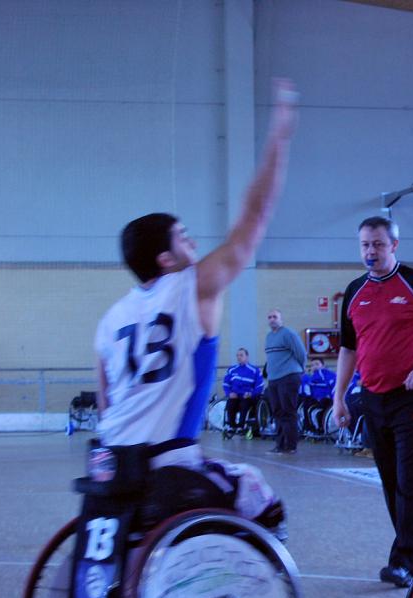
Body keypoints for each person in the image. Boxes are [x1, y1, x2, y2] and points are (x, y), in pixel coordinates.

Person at [94, 78, 297, 532]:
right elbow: (254, 219)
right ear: (166, 259)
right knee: (261, 497)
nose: (194, 241)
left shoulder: (110, 321)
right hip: (165, 461)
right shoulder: (189, 286)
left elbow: (106, 399)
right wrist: (280, 138)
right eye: (184, 237)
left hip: (110, 460)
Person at [332, 216, 413, 589]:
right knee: (391, 482)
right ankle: (409, 554)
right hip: (374, 399)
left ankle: (405, 560)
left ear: (394, 246)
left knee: (411, 480)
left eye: (378, 244)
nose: (371, 251)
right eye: (365, 245)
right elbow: (348, 348)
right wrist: (339, 398)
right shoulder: (355, 292)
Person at [264, 308, 306, 454]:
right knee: (277, 412)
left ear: (281, 319)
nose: (272, 319)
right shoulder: (269, 336)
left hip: (288, 377)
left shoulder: (288, 333)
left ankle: (291, 445)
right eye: (269, 317)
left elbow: (301, 353)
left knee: (288, 411)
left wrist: (300, 369)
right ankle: (280, 445)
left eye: (274, 316)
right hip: (274, 379)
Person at [222, 347, 264, 436]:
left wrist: (251, 394)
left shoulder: (254, 370)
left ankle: (241, 427)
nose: (239, 357)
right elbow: (226, 383)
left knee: (244, 403)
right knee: (230, 403)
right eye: (237, 355)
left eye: (241, 355)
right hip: (235, 395)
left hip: (247, 396)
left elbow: (260, 386)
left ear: (247, 357)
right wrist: (229, 393)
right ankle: (231, 426)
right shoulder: (232, 370)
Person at [299, 357, 336, 434]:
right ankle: (308, 428)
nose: (314, 367)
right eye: (312, 365)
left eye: (317, 364)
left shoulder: (329, 375)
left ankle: (315, 428)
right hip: (315, 400)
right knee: (305, 402)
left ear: (323, 365)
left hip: (327, 399)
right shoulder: (309, 378)